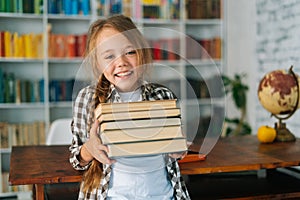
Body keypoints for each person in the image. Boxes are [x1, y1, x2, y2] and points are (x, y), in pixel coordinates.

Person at [69, 14, 190, 200]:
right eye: (109, 56)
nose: (122, 63)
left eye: (130, 52)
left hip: (163, 195)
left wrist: (178, 149)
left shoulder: (163, 96)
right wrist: (90, 149)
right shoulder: (87, 98)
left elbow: (175, 152)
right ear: (97, 63)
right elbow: (77, 160)